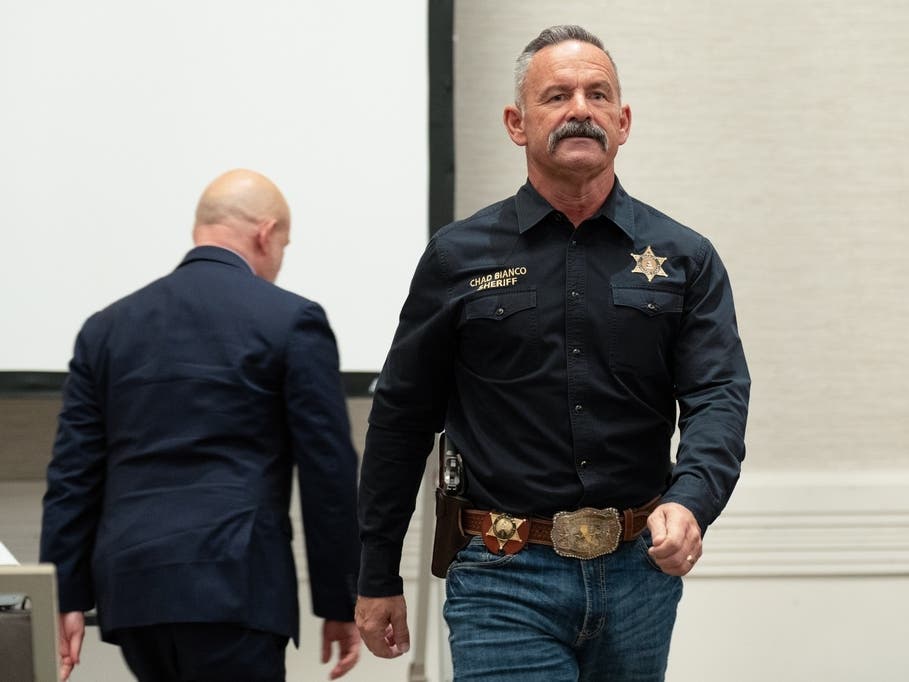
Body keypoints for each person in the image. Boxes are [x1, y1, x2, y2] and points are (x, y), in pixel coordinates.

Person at [355, 24, 750, 681]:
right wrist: (374, 572)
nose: (579, 110)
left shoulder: (684, 257)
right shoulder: (457, 257)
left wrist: (692, 498)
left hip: (637, 575)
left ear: (622, 123)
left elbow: (717, 394)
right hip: (503, 573)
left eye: (598, 96)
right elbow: (400, 418)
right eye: (556, 96)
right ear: (516, 123)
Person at [39, 169, 362, 682]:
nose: (279, 259)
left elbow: (72, 474)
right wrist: (342, 601)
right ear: (265, 232)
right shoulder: (291, 320)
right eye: (284, 244)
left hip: (134, 592)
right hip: (236, 586)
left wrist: (65, 595)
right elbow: (329, 475)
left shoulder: (106, 328)